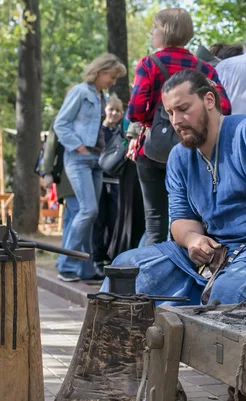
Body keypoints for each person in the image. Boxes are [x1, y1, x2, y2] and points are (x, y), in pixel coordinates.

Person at [101, 69, 246, 307]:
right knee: (125, 270)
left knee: (228, 290)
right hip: (218, 254)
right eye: (169, 113)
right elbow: (181, 219)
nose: (176, 121)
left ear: (209, 100)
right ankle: (121, 344)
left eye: (183, 108)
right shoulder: (180, 157)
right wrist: (192, 239)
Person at [127, 7, 231, 246]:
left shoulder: (149, 64)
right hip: (192, 150)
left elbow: (135, 110)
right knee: (188, 220)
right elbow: (223, 106)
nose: (152, 32)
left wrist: (155, 119)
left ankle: (150, 279)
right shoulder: (205, 68)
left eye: (154, 27)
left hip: (153, 151)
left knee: (155, 223)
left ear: (164, 31)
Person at [53, 54, 127, 281]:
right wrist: (79, 147)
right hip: (79, 159)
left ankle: (84, 268)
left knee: (91, 215)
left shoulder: (100, 96)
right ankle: (65, 264)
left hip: (96, 160)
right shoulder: (80, 92)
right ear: (100, 71)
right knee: (88, 210)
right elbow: (60, 124)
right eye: (112, 76)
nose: (113, 82)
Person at [92, 94, 125, 271]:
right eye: (111, 109)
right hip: (99, 178)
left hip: (116, 180)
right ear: (105, 110)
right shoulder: (98, 130)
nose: (114, 113)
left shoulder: (121, 133)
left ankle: (109, 256)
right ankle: (96, 257)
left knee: (114, 220)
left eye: (117, 110)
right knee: (99, 220)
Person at [107, 121, 146, 260]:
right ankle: (129, 260)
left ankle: (127, 259)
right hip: (135, 160)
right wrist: (134, 137)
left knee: (137, 216)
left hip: (137, 157)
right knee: (134, 215)